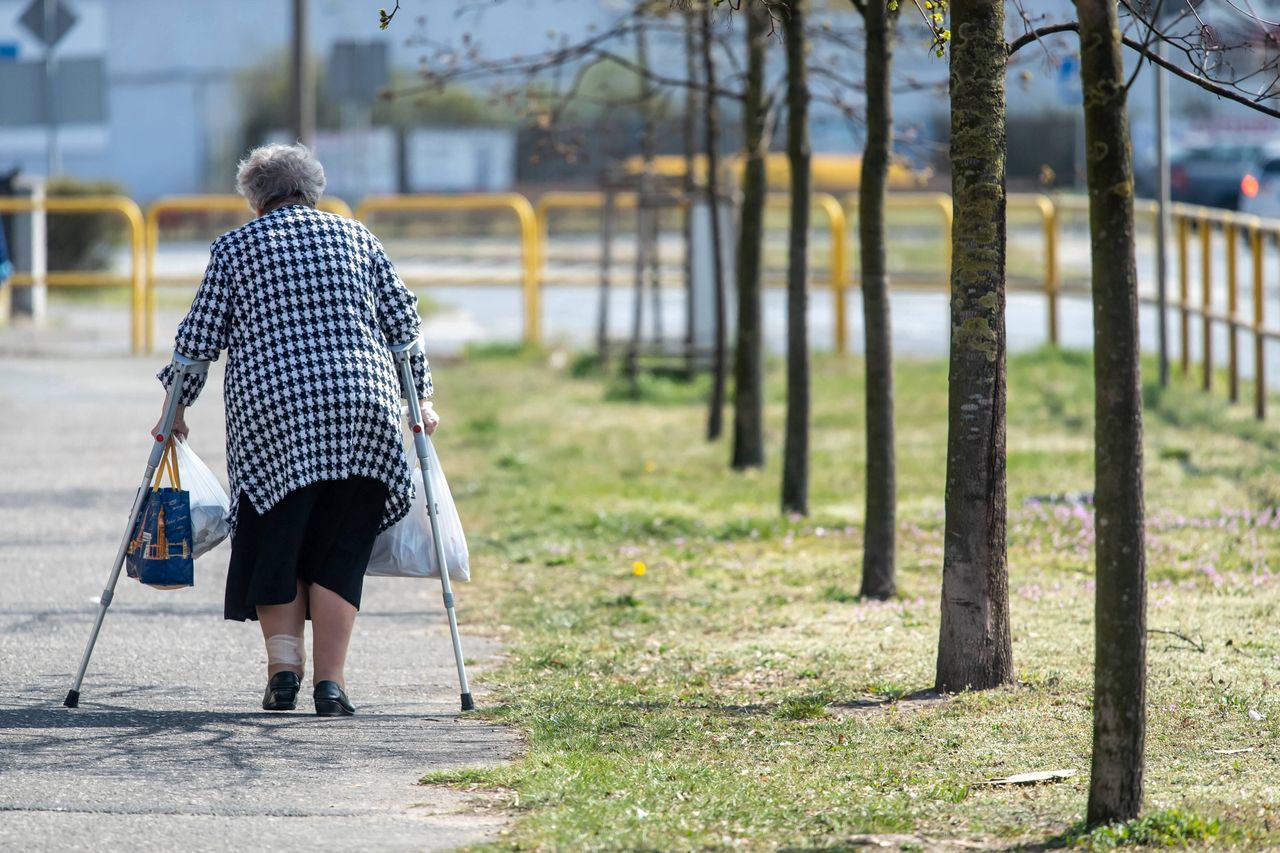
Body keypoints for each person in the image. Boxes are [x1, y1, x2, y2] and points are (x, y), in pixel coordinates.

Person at [154, 143, 438, 717]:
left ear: (255, 198)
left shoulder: (237, 248)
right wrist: (421, 398)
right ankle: (330, 686)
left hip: (274, 421)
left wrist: (174, 411)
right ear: (313, 189)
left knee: (276, 540)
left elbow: (196, 344)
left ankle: (284, 673)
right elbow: (404, 327)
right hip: (364, 411)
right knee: (340, 547)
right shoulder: (357, 237)